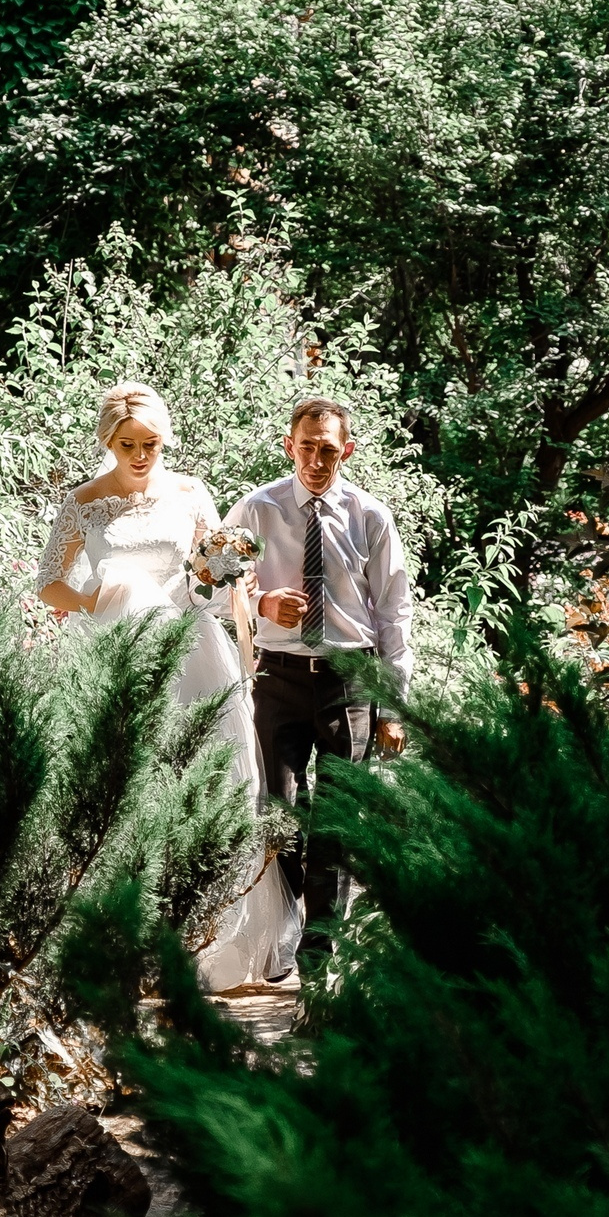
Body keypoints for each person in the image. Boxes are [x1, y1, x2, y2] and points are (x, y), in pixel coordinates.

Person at [32, 383, 297, 988]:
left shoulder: (190, 493)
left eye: (150, 444)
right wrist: (94, 600)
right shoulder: (85, 501)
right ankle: (130, 940)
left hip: (191, 648)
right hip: (121, 653)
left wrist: (222, 570)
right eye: (127, 444)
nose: (139, 455)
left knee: (212, 780)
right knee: (127, 786)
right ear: (108, 442)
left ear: (164, 441)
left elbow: (214, 571)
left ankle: (211, 942)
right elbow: (48, 581)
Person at [223, 396, 413, 956]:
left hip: (349, 681)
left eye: (327, 449)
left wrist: (394, 706)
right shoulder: (256, 509)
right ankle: (283, 934)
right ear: (289, 446)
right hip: (277, 677)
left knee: (335, 820)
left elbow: (394, 613)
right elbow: (205, 582)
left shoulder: (371, 517)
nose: (315, 460)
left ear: (346, 451)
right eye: (306, 447)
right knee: (278, 811)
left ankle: (318, 951)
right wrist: (261, 604)